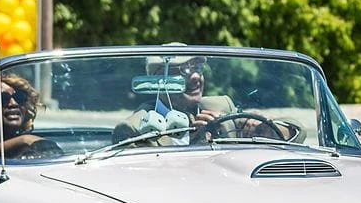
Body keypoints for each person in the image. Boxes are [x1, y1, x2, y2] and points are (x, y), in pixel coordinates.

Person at [112, 46, 302, 145]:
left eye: (197, 68)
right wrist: (196, 148)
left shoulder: (221, 106)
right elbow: (144, 186)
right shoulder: (135, 128)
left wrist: (264, 129)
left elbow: (299, 132)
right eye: (183, 70)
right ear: (158, 79)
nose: (196, 77)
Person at [0, 73, 62, 160]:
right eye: (3, 98)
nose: (13, 104)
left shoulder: (35, 144)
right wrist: (23, 141)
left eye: (20, 97)